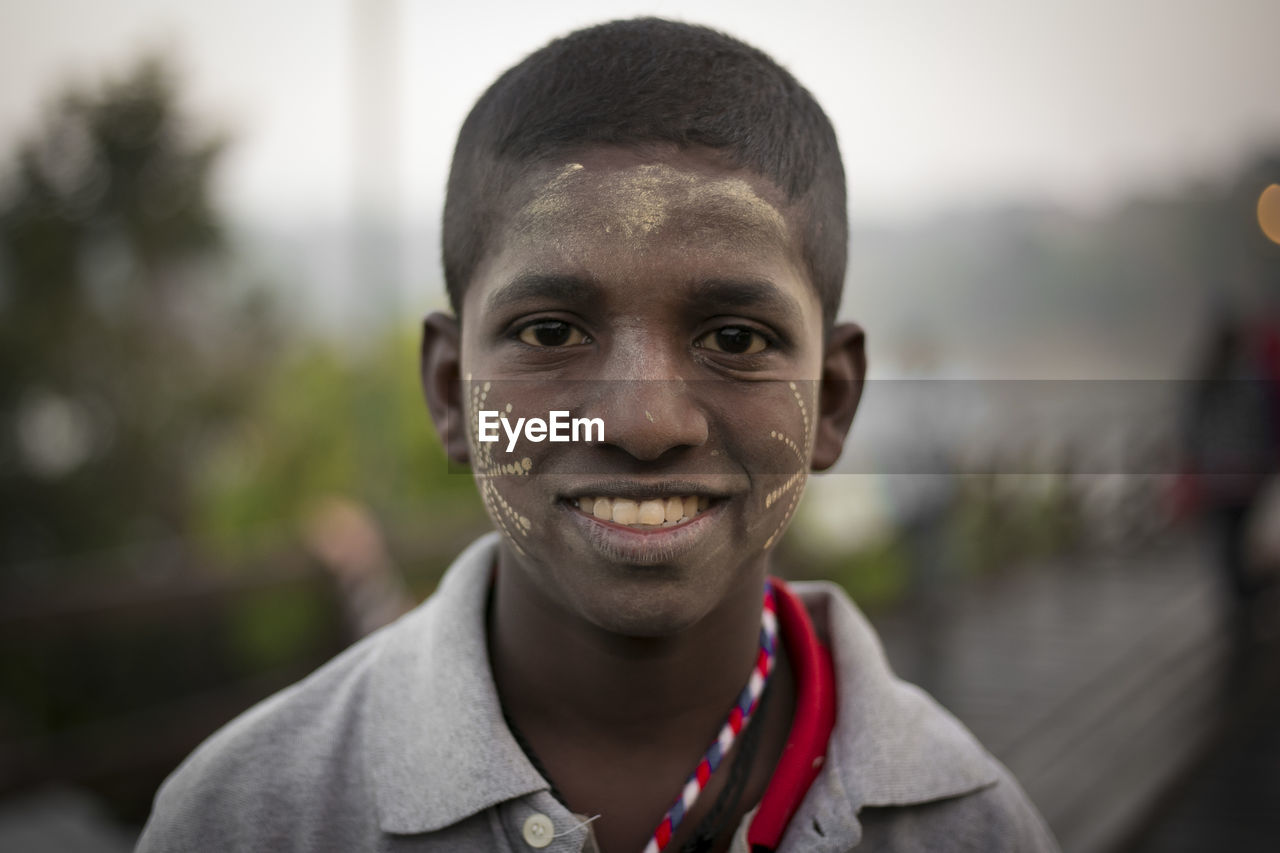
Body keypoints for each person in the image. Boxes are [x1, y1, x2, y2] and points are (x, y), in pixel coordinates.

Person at [137, 18, 1058, 852]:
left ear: (833, 400)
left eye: (735, 340)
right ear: (453, 393)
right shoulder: (246, 815)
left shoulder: (967, 822)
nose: (644, 423)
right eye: (551, 333)